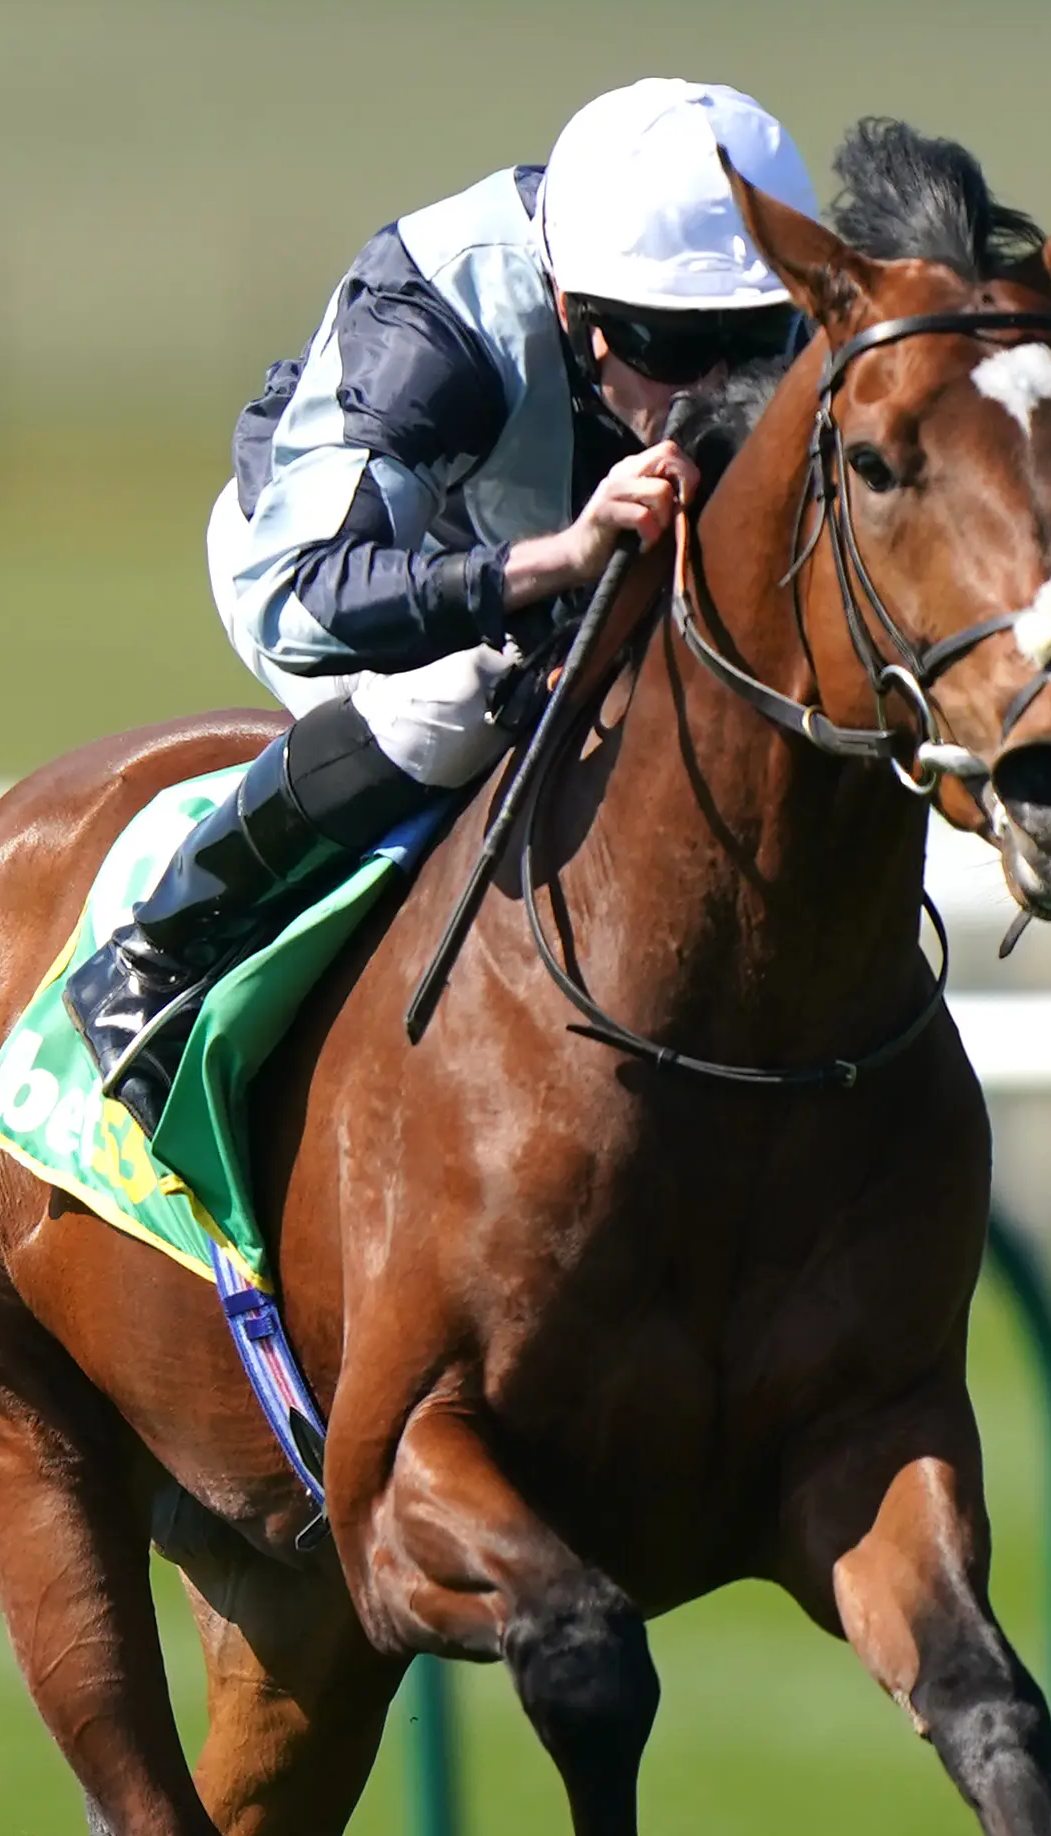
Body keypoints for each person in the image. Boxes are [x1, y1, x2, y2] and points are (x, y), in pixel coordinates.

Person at [61, 77, 819, 1126]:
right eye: (671, 348)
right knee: (469, 692)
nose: (713, 389)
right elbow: (300, 594)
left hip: (573, 571)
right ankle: (156, 955)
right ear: (576, 312)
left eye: (757, 338)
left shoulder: (775, 327)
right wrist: (555, 561)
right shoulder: (438, 319)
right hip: (342, 563)